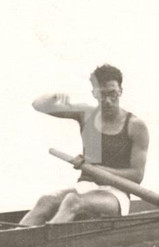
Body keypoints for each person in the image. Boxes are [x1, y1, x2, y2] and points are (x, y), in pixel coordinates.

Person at [19, 64, 149, 226]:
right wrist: (54, 97)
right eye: (102, 95)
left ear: (120, 91)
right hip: (85, 187)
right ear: (94, 93)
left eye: (112, 94)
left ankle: (44, 238)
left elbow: (137, 176)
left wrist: (95, 169)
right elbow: (38, 105)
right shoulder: (87, 115)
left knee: (72, 201)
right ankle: (15, 236)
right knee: (46, 200)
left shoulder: (135, 126)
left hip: (116, 194)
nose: (108, 101)